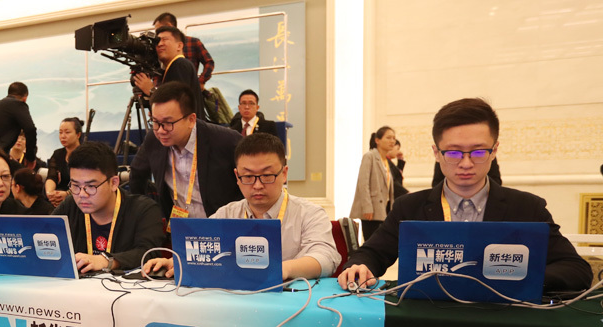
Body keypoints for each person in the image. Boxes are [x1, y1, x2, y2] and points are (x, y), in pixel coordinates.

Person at [338, 98, 591, 293]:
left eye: (479, 152)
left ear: (494, 151)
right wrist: (359, 268)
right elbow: (370, 254)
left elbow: (577, 270)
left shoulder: (527, 208)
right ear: (436, 153)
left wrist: (520, 278)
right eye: (454, 153)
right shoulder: (410, 208)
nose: (466, 163)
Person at [143, 133, 340, 281]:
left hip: (291, 304)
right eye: (248, 176)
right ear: (237, 176)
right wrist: (175, 262)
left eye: (267, 175)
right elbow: (202, 252)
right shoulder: (227, 214)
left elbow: (325, 258)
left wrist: (284, 269)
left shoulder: (309, 213)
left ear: (284, 173)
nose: (257, 185)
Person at [129, 81, 242, 220]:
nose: (161, 130)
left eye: (168, 123)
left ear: (191, 120)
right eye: (155, 122)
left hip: (223, 225)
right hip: (180, 227)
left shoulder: (226, 141)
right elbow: (136, 175)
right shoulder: (154, 140)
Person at [52, 142, 165, 274]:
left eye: (91, 186)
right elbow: (44, 234)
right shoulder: (70, 206)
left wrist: (107, 261)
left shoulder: (143, 210)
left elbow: (149, 253)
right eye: (75, 186)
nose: (82, 194)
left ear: (113, 183)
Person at [131, 26, 205, 121]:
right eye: (157, 41)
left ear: (179, 46)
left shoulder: (180, 64)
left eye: (165, 39)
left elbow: (177, 102)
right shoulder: (175, 66)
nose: (160, 44)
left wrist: (151, 90)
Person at [350, 126, 396, 241]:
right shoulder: (369, 156)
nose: (392, 141)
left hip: (384, 209)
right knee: (372, 242)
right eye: (388, 138)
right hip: (372, 210)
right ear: (377, 140)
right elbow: (363, 183)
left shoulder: (386, 161)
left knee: (383, 242)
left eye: (393, 138)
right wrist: (367, 207)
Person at [152, 12, 215, 89]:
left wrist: (200, 81)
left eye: (158, 30)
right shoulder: (159, 48)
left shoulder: (193, 42)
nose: (160, 43)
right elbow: (156, 71)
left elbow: (209, 62)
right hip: (169, 88)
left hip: (188, 87)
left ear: (179, 46)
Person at [45, 117, 83, 206]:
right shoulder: (58, 154)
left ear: (78, 135)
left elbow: (86, 182)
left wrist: (67, 194)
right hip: (59, 197)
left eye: (67, 132)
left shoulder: (86, 154)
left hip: (80, 197)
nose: (63, 136)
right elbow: (51, 177)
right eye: (60, 132)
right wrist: (50, 193)